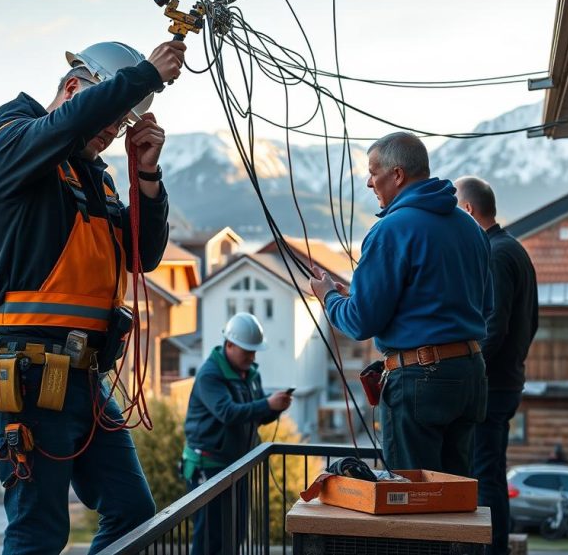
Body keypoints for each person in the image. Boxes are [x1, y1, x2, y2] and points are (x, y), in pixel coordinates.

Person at [0, 39, 186, 554]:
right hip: (29, 377)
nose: (111, 137)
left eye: (117, 130)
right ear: (73, 88)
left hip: (85, 378)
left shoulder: (95, 178)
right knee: (39, 531)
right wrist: (142, 77)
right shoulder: (12, 143)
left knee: (133, 513)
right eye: (107, 121)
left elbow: (143, 256)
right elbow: (62, 128)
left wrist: (147, 177)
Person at [310, 131, 491, 477]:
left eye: (373, 171)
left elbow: (361, 322)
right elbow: (486, 306)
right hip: (470, 375)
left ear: (397, 175)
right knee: (457, 494)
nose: (368, 182)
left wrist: (329, 296)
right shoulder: (470, 228)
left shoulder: (391, 231)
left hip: (419, 381)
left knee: (413, 500)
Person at [455, 175, 538, 555]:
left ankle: (494, 550)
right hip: (508, 381)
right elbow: (531, 322)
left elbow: (494, 326)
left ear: (469, 210)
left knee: (486, 476)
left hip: (493, 385)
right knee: (490, 471)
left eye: (456, 210)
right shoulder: (514, 249)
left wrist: (469, 369)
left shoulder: (494, 254)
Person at [182, 313, 292, 554]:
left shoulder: (250, 373)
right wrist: (267, 405)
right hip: (208, 466)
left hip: (235, 465)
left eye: (254, 351)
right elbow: (228, 413)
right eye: (247, 351)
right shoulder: (210, 375)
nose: (252, 357)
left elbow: (252, 414)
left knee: (235, 532)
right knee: (210, 537)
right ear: (229, 345)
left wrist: (273, 408)